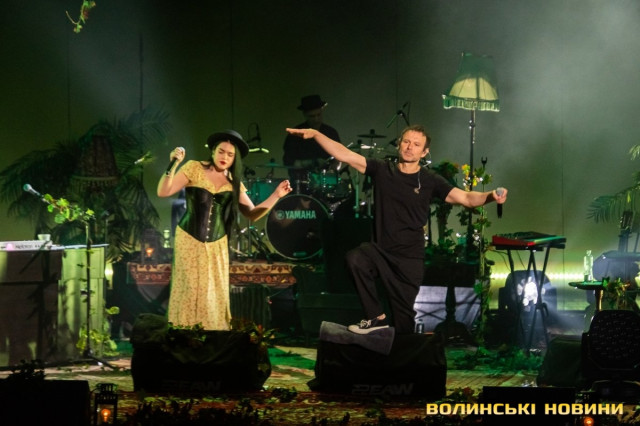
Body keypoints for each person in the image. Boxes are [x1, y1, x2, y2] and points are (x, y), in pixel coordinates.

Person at [286, 124, 508, 335]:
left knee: (403, 326)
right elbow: (345, 155)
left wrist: (490, 196)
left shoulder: (429, 180)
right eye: (406, 142)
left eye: (416, 144)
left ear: (424, 152)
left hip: (408, 259)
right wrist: (316, 134)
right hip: (380, 250)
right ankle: (376, 318)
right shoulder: (383, 170)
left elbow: (467, 198)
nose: (410, 147)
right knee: (356, 258)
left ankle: (402, 354)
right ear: (399, 144)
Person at [157, 130, 292, 330]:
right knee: (189, 287)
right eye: (221, 152)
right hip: (189, 238)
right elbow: (163, 191)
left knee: (212, 290)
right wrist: (173, 164)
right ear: (212, 151)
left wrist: (276, 195)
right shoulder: (194, 168)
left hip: (217, 243)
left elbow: (252, 214)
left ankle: (212, 332)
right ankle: (184, 331)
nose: (224, 157)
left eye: (230, 155)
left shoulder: (234, 182)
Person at [282, 95, 342, 189]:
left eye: (319, 115)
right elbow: (289, 162)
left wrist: (333, 169)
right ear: (305, 114)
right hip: (301, 185)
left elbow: (339, 158)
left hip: (327, 184)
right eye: (312, 116)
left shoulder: (331, 133)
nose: (316, 119)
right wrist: (313, 162)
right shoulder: (295, 135)